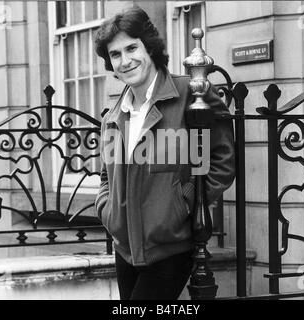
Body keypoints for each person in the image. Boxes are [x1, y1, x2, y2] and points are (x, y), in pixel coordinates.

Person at [95, 6, 235, 300]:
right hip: (125, 250)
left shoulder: (190, 94)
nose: (125, 60)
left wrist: (184, 204)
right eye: (115, 54)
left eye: (132, 48)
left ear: (150, 46)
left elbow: (223, 159)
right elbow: (105, 176)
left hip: (170, 248)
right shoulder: (112, 116)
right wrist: (107, 210)